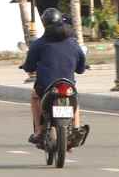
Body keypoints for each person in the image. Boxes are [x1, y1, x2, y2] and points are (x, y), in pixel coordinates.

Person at [20, 8, 89, 147]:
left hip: (46, 87)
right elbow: (81, 68)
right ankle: (75, 127)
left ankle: (39, 131)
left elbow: (29, 66)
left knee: (34, 97)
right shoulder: (73, 43)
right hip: (68, 85)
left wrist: (26, 67)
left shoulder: (38, 44)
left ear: (44, 24)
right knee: (74, 99)